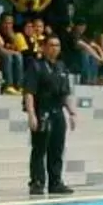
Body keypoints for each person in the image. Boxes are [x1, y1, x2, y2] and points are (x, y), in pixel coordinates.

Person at [24, 30, 77, 196]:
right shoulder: (36, 66)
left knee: (57, 148)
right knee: (40, 149)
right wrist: (31, 114)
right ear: (44, 47)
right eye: (51, 45)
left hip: (57, 111)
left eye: (57, 45)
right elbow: (29, 92)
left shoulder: (61, 67)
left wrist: (72, 112)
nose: (55, 48)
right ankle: (37, 182)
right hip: (42, 111)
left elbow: (65, 93)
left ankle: (56, 182)